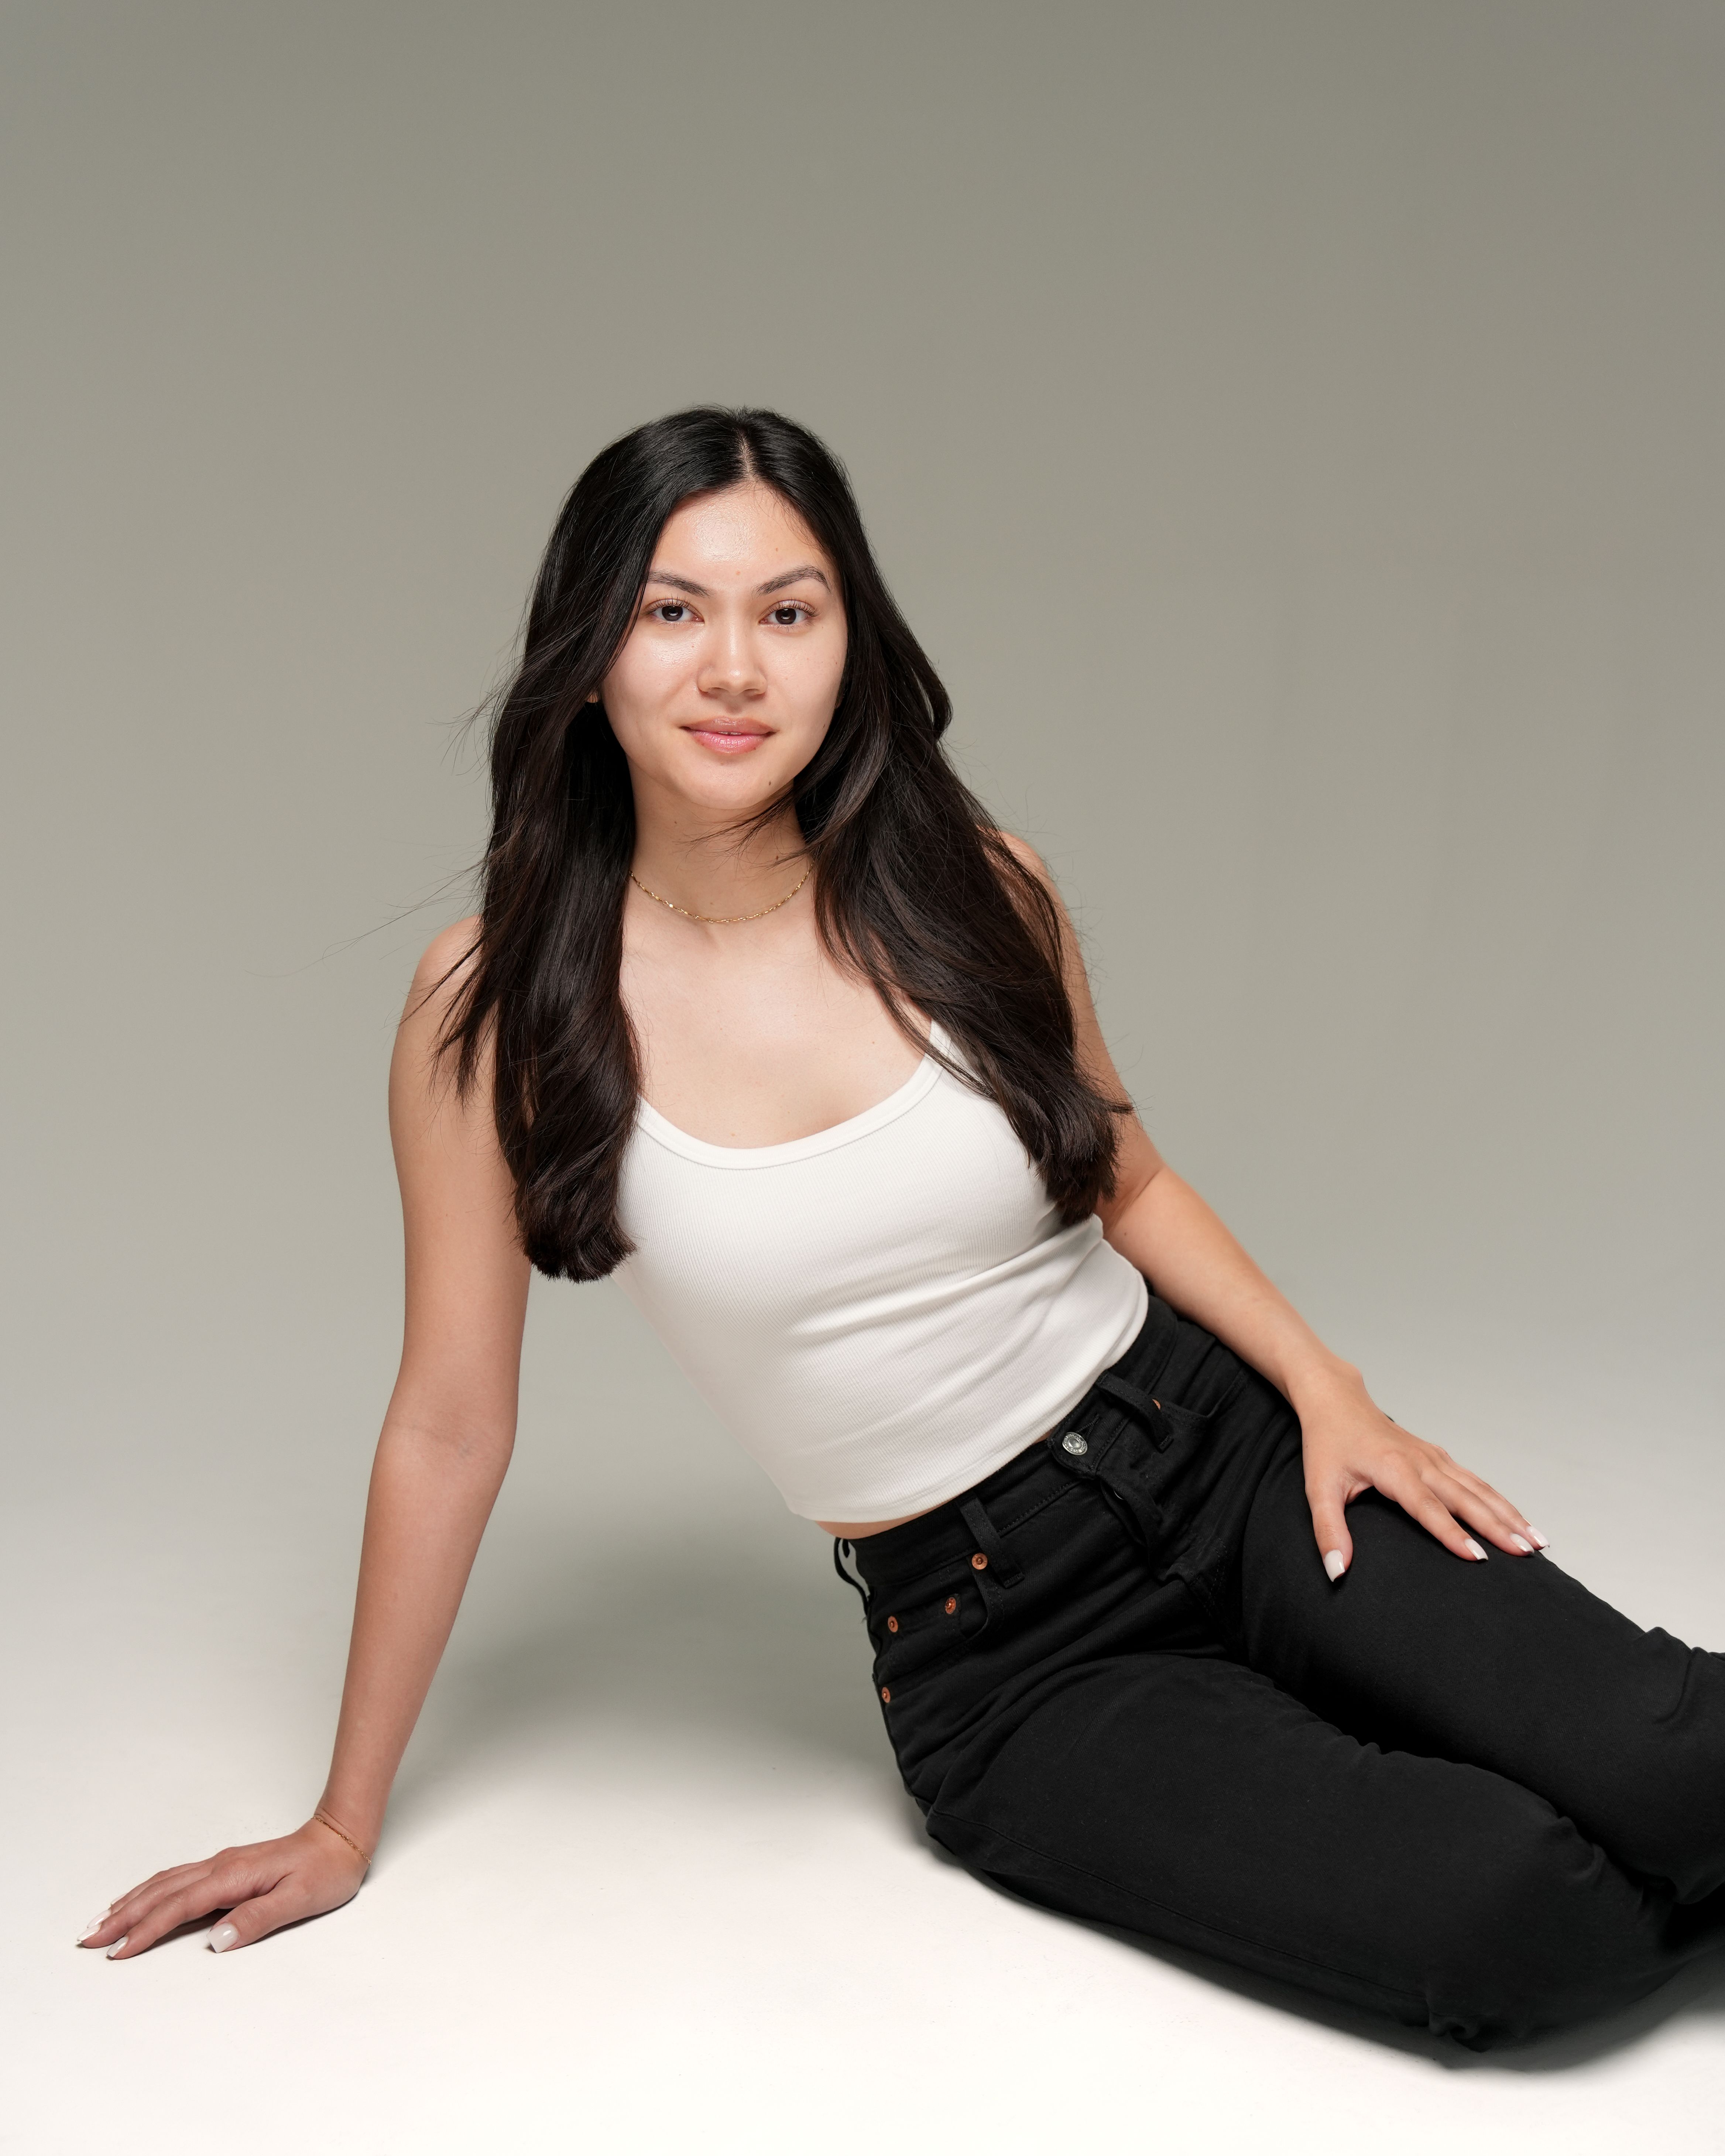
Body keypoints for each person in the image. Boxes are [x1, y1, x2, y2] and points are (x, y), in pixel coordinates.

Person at [81, 408, 1725, 2047]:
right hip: (1007, 1653)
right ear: (588, 654)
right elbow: (449, 1419)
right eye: (674, 610)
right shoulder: (497, 1005)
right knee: (1514, 1916)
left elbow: (1124, 1171)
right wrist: (343, 1819)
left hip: (1225, 1452)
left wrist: (1330, 1390)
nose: (735, 667)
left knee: (1674, 1762)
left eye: (789, 612)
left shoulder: (973, 884)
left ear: (849, 647)